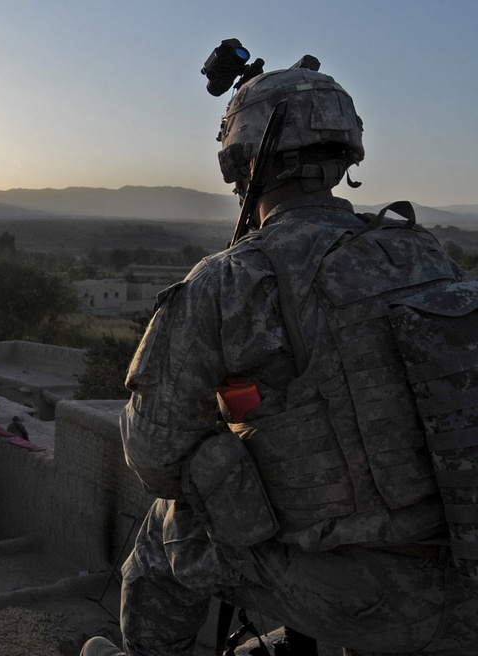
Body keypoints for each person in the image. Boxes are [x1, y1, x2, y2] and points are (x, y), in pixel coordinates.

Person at [82, 53, 478, 655]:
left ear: (242, 164)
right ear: (345, 156)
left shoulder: (228, 282)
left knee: (168, 527)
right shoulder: (421, 251)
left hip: (369, 600)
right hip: (461, 583)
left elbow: (156, 458)